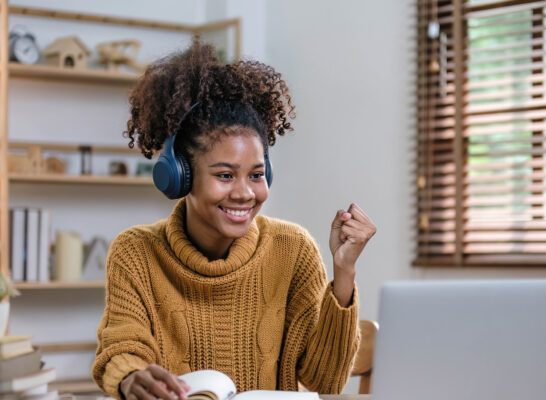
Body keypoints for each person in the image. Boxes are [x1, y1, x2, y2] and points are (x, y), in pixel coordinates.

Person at [91, 38, 376, 400]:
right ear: (181, 176)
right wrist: (131, 377)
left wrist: (344, 272)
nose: (244, 193)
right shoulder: (135, 252)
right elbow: (122, 345)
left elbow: (327, 382)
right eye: (225, 175)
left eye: (256, 175)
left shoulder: (293, 249)